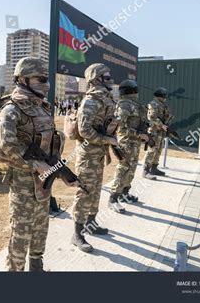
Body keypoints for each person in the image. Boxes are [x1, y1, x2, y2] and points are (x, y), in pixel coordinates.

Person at [0, 57, 67, 271]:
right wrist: (36, 165)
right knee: (21, 233)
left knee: (40, 227)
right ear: (23, 79)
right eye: (41, 79)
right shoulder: (12, 110)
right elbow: (7, 145)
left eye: (47, 79)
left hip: (43, 182)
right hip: (23, 183)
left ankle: (36, 265)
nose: (46, 84)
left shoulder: (43, 108)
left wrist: (60, 170)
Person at [71, 63, 117, 253]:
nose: (111, 80)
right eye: (107, 77)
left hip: (98, 154)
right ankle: (77, 234)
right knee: (84, 193)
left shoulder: (105, 99)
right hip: (87, 156)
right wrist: (106, 139)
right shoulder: (90, 101)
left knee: (96, 190)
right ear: (96, 79)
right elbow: (84, 130)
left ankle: (91, 224)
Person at [109, 80, 151, 213]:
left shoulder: (135, 105)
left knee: (131, 168)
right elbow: (120, 128)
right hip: (126, 142)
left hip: (135, 143)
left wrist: (143, 133)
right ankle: (113, 198)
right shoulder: (124, 105)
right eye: (135, 89)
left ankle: (125, 193)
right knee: (123, 168)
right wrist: (139, 134)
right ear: (130, 91)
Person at [142, 87, 171, 179]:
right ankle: (146, 171)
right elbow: (152, 117)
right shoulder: (153, 104)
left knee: (158, 150)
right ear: (161, 96)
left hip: (160, 132)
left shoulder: (162, 104)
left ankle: (154, 168)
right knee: (151, 150)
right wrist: (162, 125)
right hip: (154, 131)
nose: (165, 98)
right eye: (164, 96)